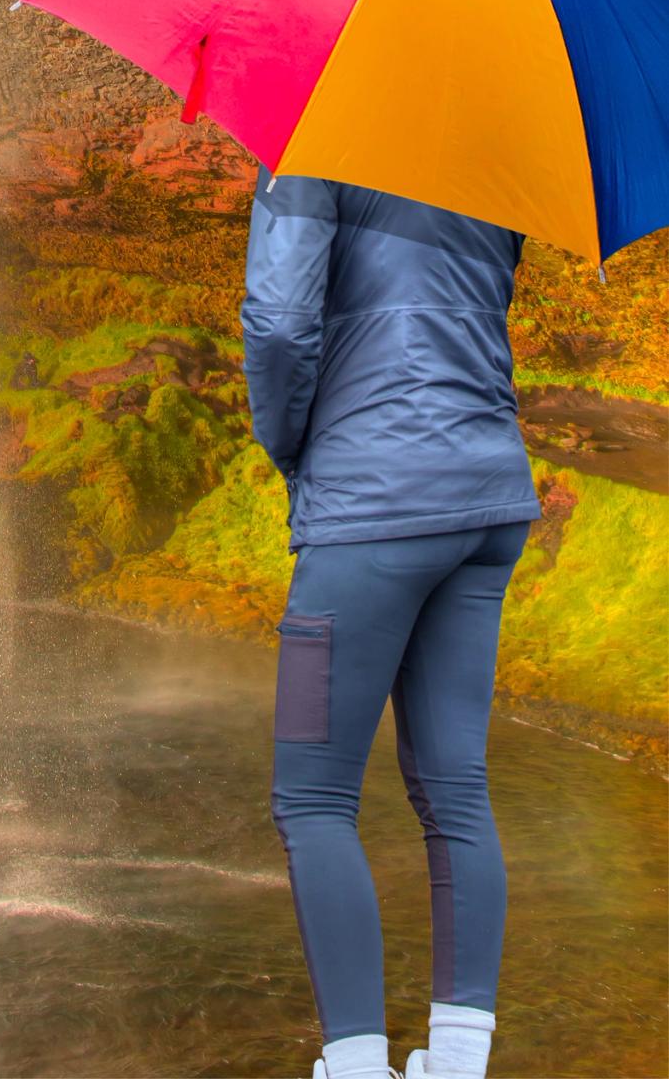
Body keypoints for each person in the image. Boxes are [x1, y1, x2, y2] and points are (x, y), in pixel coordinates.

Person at [242, 171, 542, 1079]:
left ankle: (358, 1065)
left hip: (370, 510)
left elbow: (281, 323)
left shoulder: (314, 137)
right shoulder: (492, 143)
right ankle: (456, 1064)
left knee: (313, 798)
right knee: (457, 791)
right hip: (488, 500)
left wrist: (295, 447)